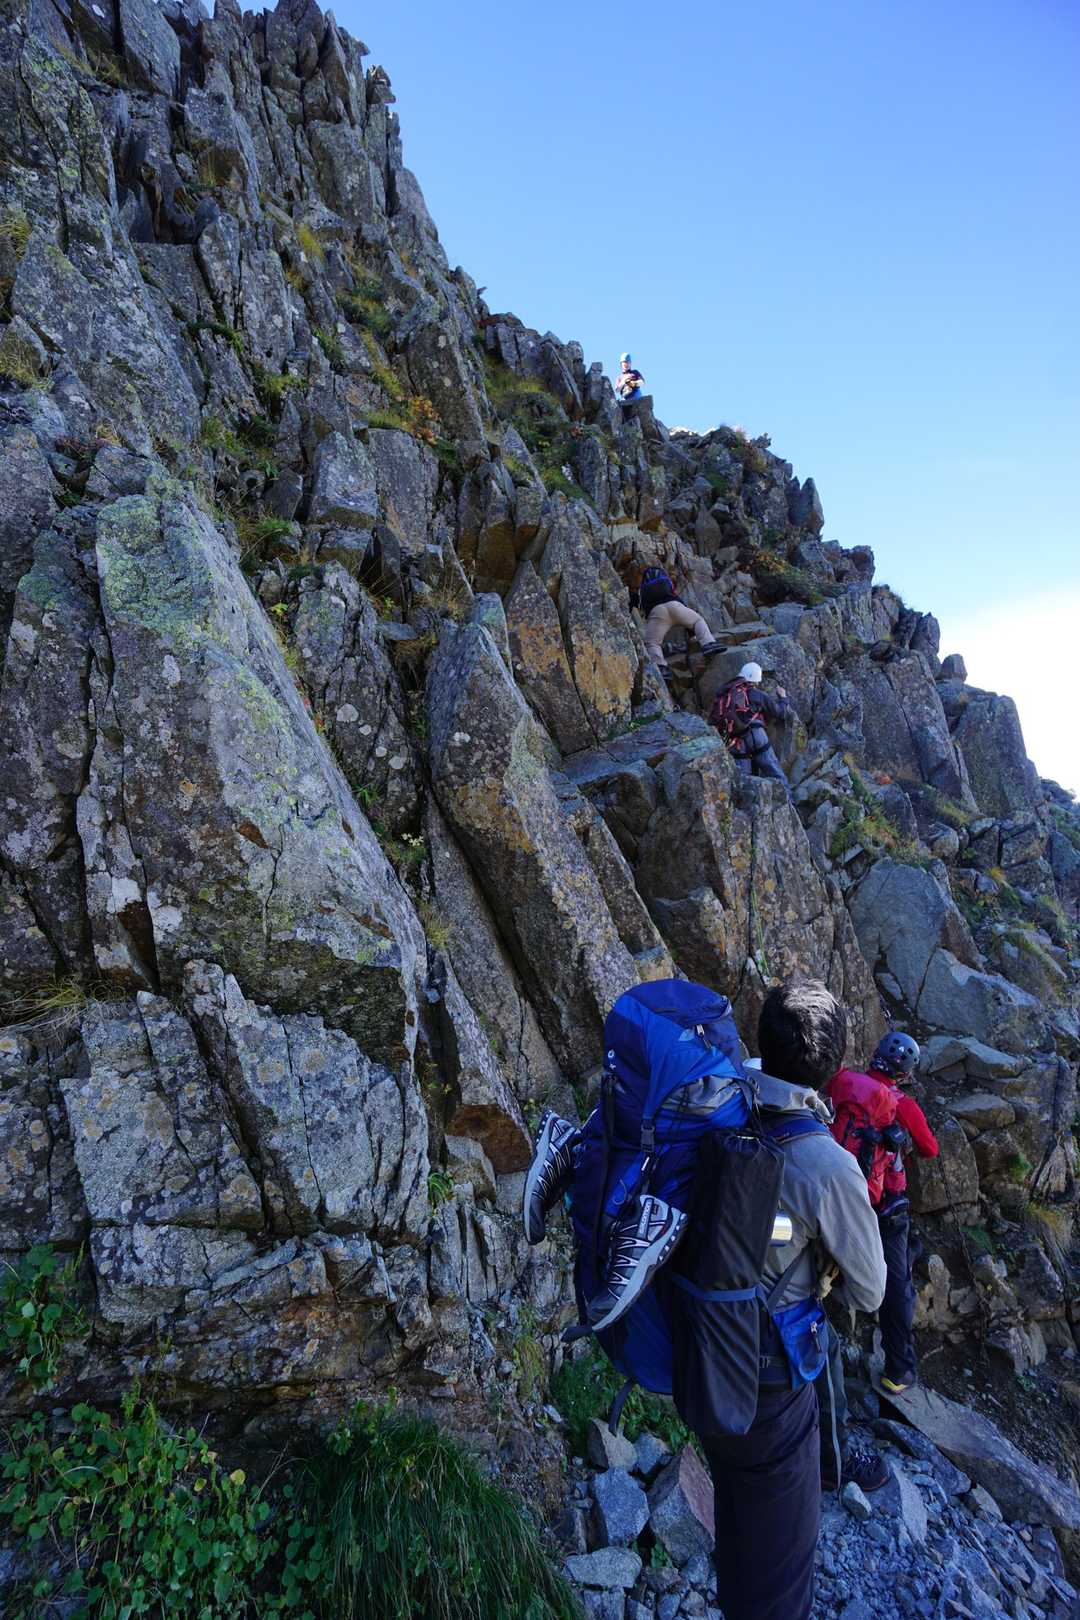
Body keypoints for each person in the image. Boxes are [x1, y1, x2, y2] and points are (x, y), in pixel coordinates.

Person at [702, 980, 887, 1620]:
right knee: (780, 1568)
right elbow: (871, 1288)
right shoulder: (827, 1165)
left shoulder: (719, 1101)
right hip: (771, 1383)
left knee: (739, 1518)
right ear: (834, 1065)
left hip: (702, 1350)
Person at [825, 1031, 939, 1396]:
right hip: (880, 1203)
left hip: (832, 1187)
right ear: (905, 1072)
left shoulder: (844, 1082)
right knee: (897, 1283)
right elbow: (930, 1149)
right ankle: (898, 1370)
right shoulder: (901, 1104)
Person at [627, 562, 723, 683]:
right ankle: (708, 643)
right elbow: (680, 601)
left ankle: (661, 667)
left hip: (657, 614)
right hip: (675, 606)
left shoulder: (642, 591)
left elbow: (633, 605)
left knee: (652, 643)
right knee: (698, 620)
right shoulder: (666, 584)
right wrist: (691, 633)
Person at [710, 661, 791, 794]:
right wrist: (783, 698)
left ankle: (751, 804)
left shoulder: (727, 694)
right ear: (756, 680)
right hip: (756, 735)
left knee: (745, 783)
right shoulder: (757, 694)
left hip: (735, 742)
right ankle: (789, 801)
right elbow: (779, 713)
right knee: (775, 772)